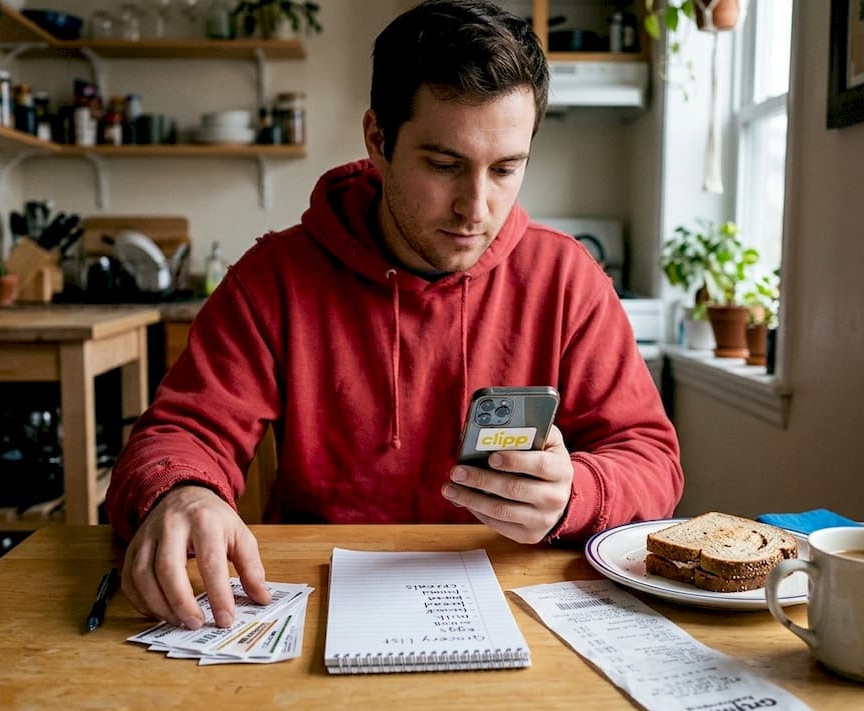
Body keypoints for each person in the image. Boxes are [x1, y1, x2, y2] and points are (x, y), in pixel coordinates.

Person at [106, 0, 683, 631]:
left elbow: (651, 458)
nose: (475, 207)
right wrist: (180, 492)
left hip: (520, 612)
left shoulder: (568, 279)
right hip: (317, 608)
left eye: (506, 169)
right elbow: (176, 436)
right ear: (378, 140)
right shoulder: (273, 278)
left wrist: (577, 492)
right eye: (444, 165)